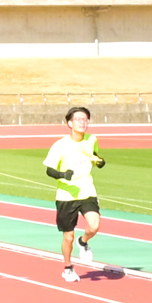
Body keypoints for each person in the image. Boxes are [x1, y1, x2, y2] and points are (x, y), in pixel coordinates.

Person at [43, 104, 107, 281]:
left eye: (85, 119)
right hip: (66, 195)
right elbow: (49, 170)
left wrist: (99, 161)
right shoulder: (60, 145)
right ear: (70, 123)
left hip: (87, 191)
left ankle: (83, 242)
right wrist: (63, 175)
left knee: (94, 226)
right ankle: (68, 267)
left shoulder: (91, 139)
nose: (82, 122)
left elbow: (93, 155)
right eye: (78, 119)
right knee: (68, 237)